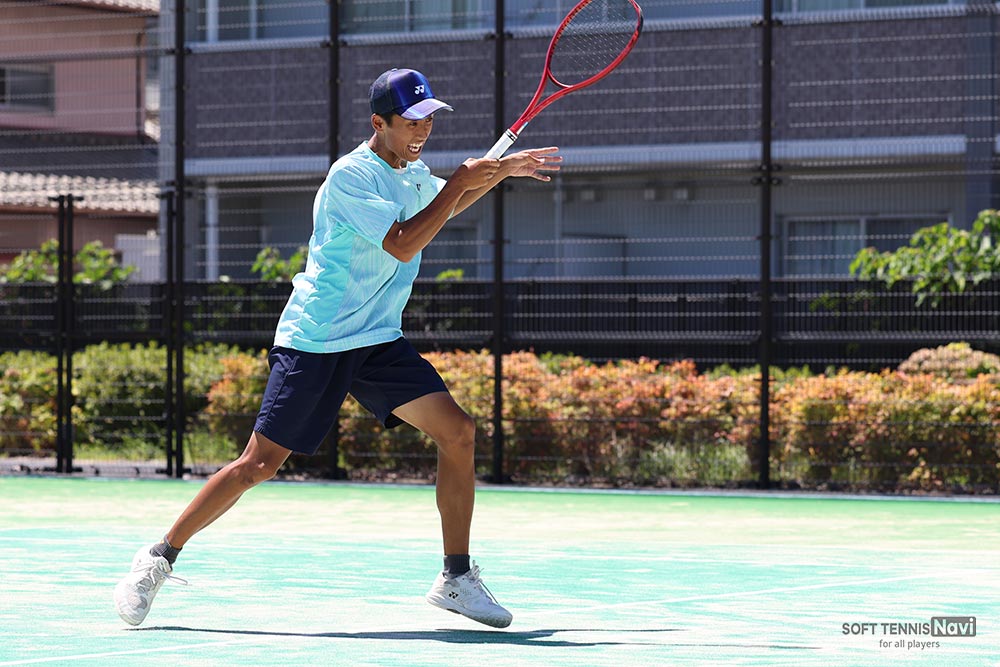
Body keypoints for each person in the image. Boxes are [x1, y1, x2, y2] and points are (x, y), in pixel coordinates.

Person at [113, 68, 560, 630]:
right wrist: (461, 182)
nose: (422, 130)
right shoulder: (351, 176)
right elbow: (403, 243)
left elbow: (447, 208)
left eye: (428, 119)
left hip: (377, 338)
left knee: (459, 432)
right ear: (379, 123)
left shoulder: (412, 174)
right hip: (318, 339)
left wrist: (495, 174)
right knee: (257, 466)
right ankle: (158, 558)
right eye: (411, 122)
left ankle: (456, 577)